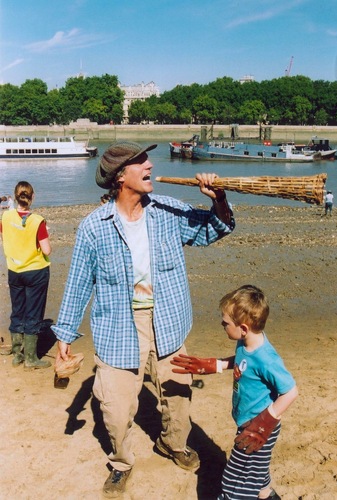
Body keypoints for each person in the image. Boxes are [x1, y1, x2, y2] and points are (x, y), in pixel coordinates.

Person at [52, 140, 235, 498]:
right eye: (141, 162)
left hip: (168, 320)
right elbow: (77, 282)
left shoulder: (167, 210)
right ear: (121, 177)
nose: (150, 165)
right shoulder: (94, 227)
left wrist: (218, 198)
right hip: (118, 327)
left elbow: (214, 229)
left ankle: (173, 444)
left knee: (178, 397)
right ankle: (121, 462)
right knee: (116, 411)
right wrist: (65, 336)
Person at [172, 285, 298, 500]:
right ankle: (266, 494)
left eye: (226, 322)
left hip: (257, 431)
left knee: (234, 484)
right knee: (256, 478)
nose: (222, 324)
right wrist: (217, 365)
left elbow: (291, 391)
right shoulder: (245, 343)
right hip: (249, 424)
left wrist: (263, 424)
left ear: (243, 328)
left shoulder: (267, 358)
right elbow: (244, 363)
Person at [0, 181, 52, 369]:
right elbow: (47, 249)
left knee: (18, 310)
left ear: (15, 197)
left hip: (14, 271)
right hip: (35, 271)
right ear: (32, 197)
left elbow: (5, 238)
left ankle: (17, 354)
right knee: (33, 313)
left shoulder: (6, 217)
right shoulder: (37, 220)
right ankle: (30, 358)